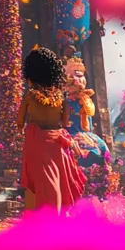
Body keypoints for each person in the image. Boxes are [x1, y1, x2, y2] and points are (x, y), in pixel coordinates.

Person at [17, 47, 86, 212]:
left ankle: (43, 224)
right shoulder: (60, 98)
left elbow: (20, 121)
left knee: (39, 183)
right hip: (57, 143)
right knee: (57, 182)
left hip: (37, 142)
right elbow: (63, 122)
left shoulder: (30, 96)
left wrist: (22, 132)